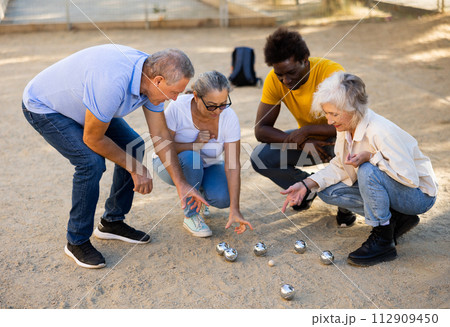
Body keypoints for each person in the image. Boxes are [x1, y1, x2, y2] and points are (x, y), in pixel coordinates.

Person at [22, 45, 208, 269]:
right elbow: (93, 139)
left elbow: (160, 135)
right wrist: (135, 168)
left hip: (85, 105)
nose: (176, 99)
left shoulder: (150, 82)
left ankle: (111, 222)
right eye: (175, 92)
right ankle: (76, 241)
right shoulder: (112, 83)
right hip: (45, 107)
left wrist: (182, 184)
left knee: (134, 146)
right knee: (90, 163)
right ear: (158, 80)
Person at [281, 71, 438, 266]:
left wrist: (371, 157)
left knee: (367, 171)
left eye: (334, 114)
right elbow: (340, 166)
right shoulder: (346, 127)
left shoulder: (380, 131)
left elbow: (409, 179)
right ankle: (398, 219)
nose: (329, 121)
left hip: (418, 196)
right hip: (395, 188)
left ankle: (383, 241)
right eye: (327, 113)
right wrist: (306, 184)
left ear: (353, 109)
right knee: (327, 190)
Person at [250, 27, 356, 227]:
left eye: (291, 72)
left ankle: (345, 204)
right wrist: (302, 142)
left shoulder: (331, 74)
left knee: (351, 154)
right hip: (309, 144)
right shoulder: (275, 80)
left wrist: (306, 132)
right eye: (279, 74)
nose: (285, 80)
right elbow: (261, 129)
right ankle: (306, 190)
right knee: (260, 157)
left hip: (342, 141)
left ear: (305, 59)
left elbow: (349, 124)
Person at [153, 71, 253, 237]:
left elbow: (233, 165)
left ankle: (200, 195)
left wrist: (235, 209)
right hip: (169, 164)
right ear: (196, 97)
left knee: (224, 197)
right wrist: (195, 145)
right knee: (192, 158)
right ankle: (191, 216)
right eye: (212, 105)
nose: (218, 111)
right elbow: (161, 148)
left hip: (207, 166)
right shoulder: (178, 107)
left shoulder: (229, 117)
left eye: (223, 104)